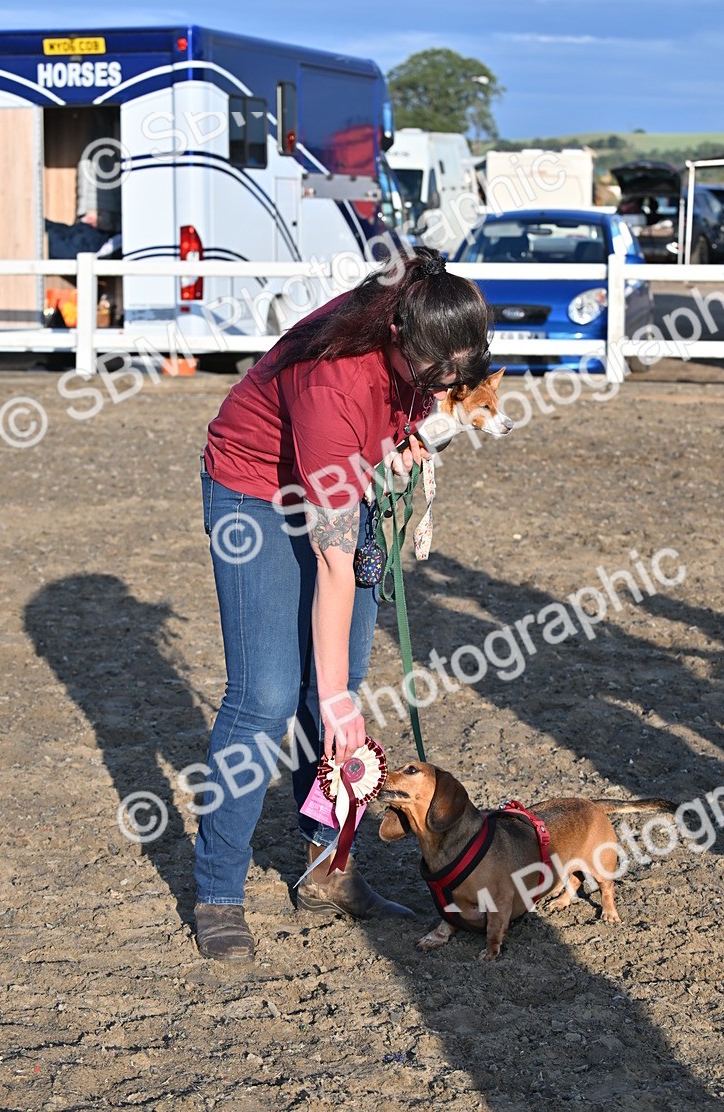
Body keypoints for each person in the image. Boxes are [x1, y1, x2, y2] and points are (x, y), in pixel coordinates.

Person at [194, 246, 491, 961]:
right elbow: (334, 562)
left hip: (332, 479)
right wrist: (333, 701)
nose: (447, 385)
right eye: (437, 375)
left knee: (336, 690)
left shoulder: (419, 321)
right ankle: (216, 891)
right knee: (267, 696)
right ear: (401, 338)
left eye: (459, 373)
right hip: (256, 492)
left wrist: (403, 434)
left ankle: (329, 868)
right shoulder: (332, 382)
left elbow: (414, 400)